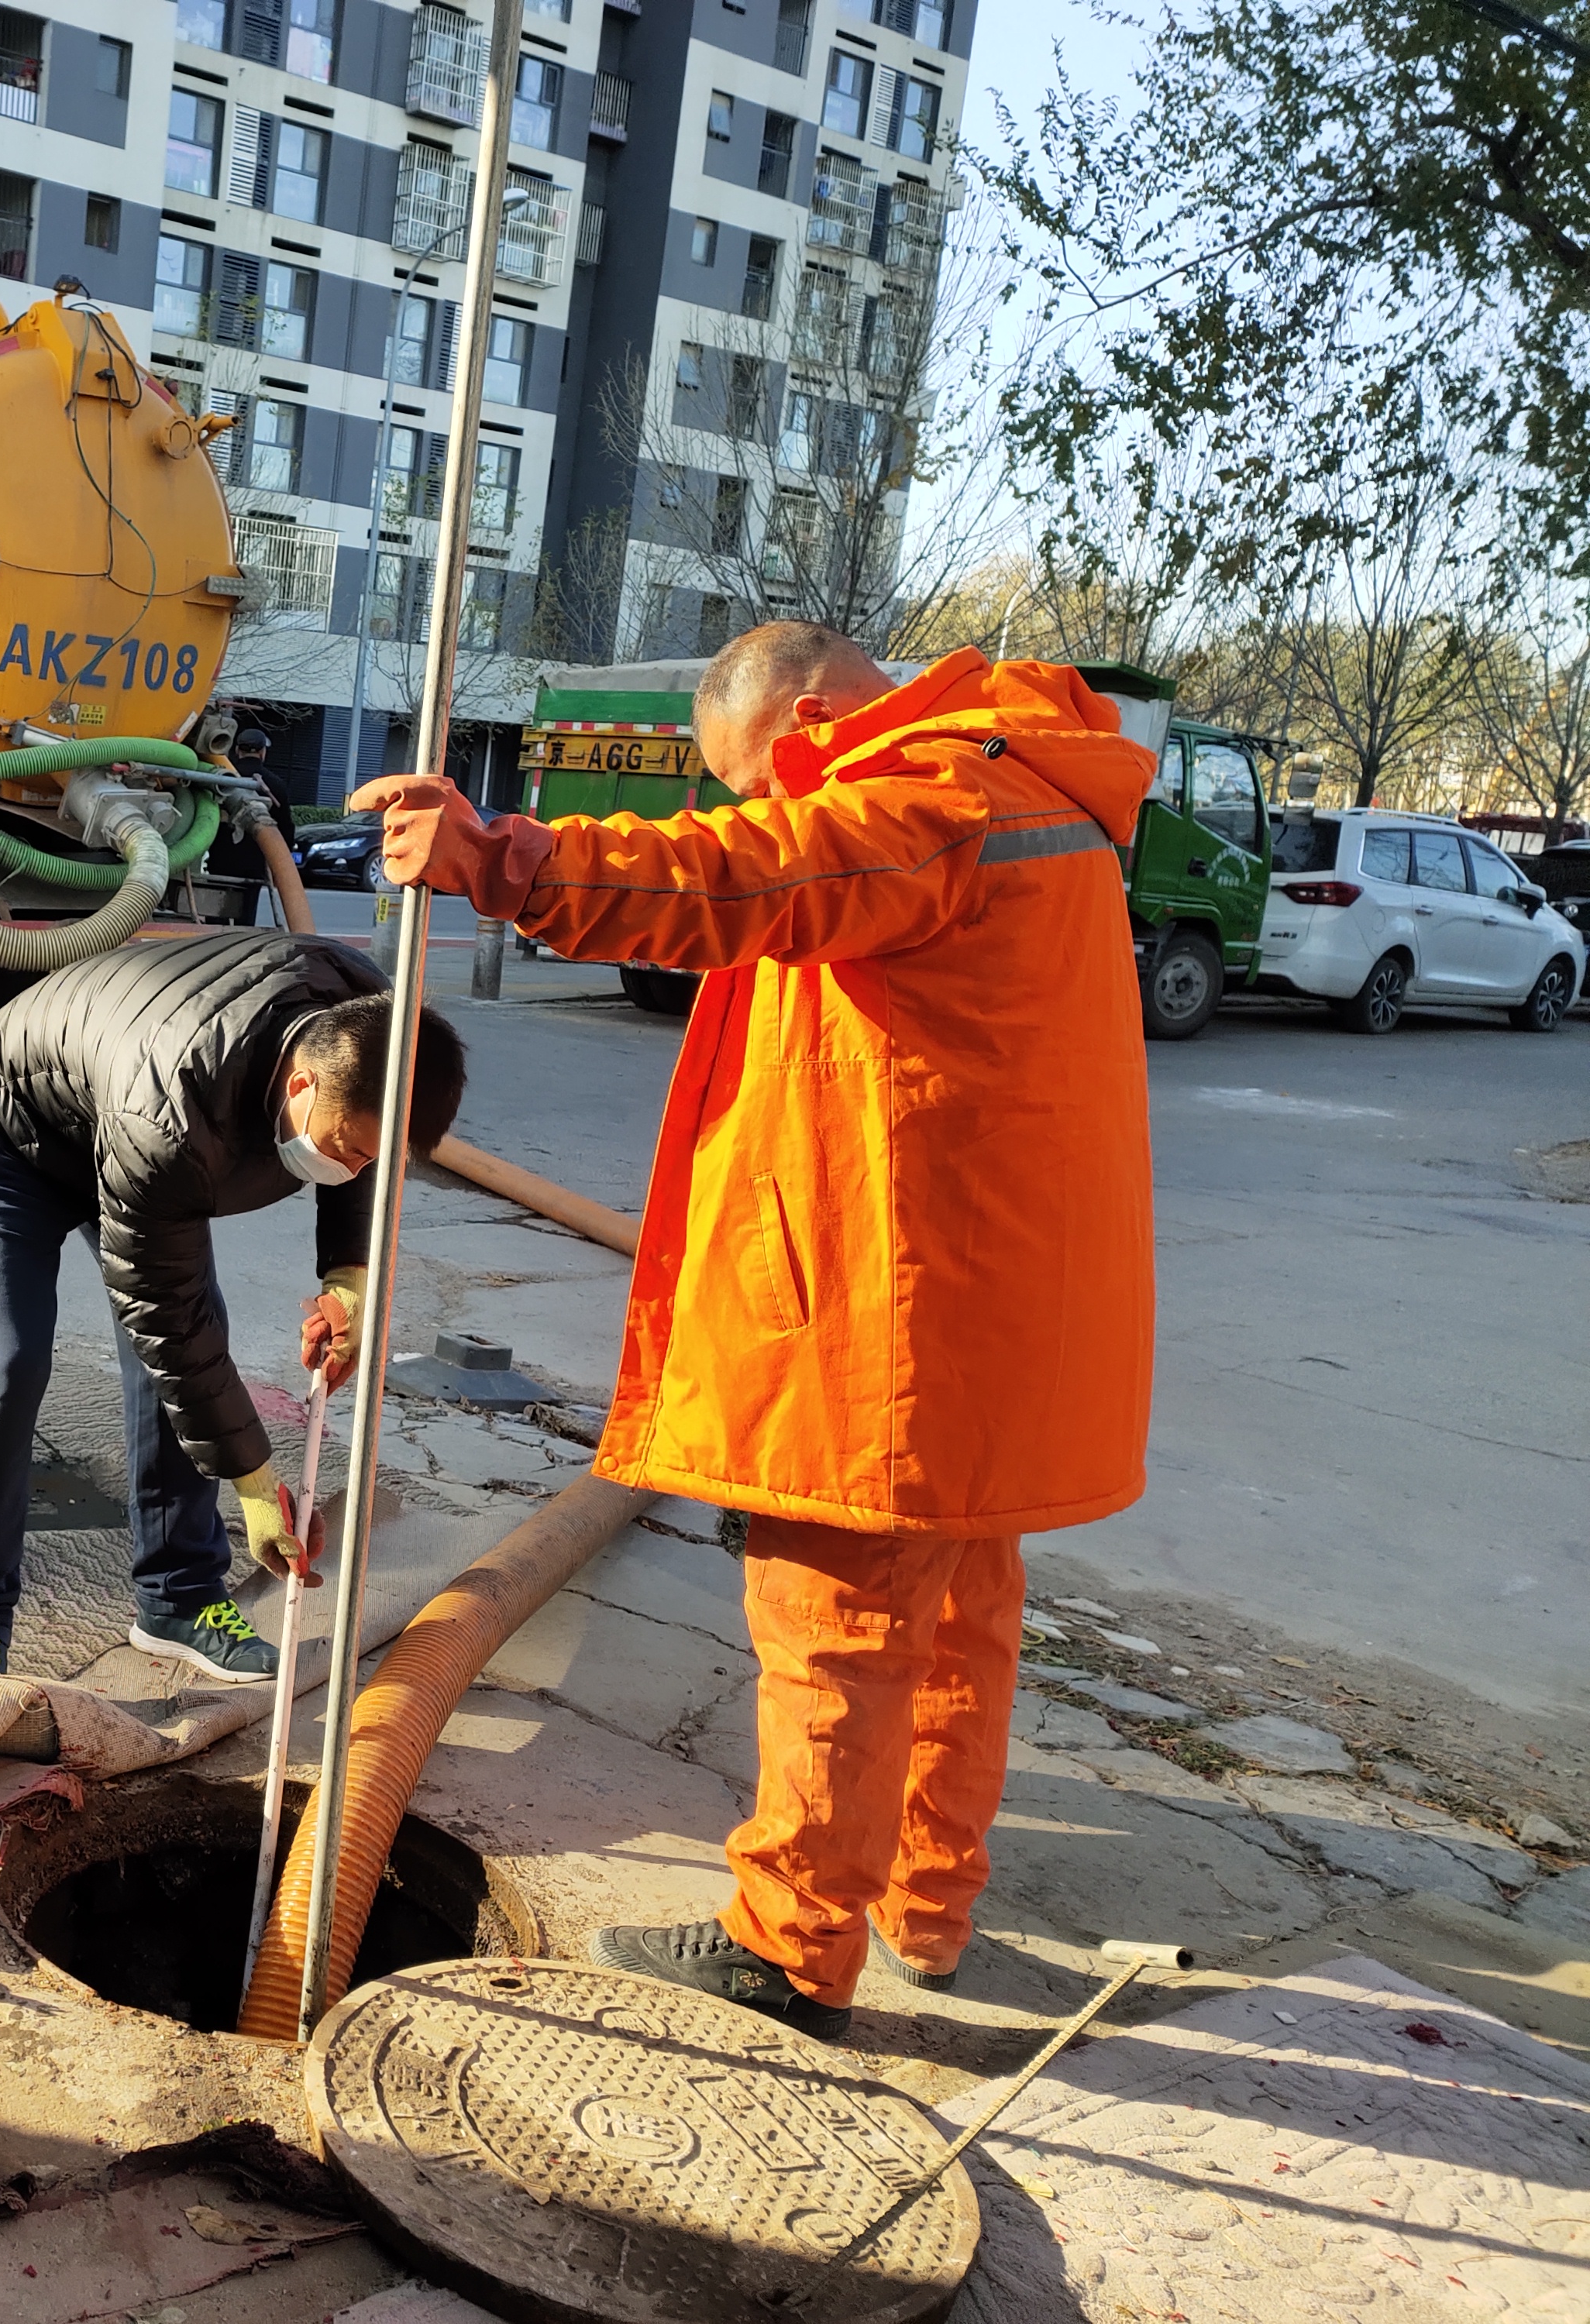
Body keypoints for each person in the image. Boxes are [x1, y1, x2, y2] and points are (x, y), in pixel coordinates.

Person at [355, 624, 1155, 2040]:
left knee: (835, 1632)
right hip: (986, 1307)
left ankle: (789, 1949)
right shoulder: (1035, 790)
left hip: (893, 1313)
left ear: (808, 724)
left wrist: (502, 865)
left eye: (753, 781)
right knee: (959, 1621)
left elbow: (743, 881)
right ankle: (926, 1900)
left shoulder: (931, 800)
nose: (751, 812)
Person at [0, 929, 468, 1683]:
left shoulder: (367, 1025)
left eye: (372, 1158)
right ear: (300, 1086)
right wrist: (254, 1487)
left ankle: (177, 1599)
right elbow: (170, 1325)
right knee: (14, 1364)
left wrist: (350, 1284)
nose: (350, 1169)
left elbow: (363, 1168)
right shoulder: (176, 1117)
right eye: (345, 1148)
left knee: (179, 1360)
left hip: (118, 1103)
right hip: (10, 1134)